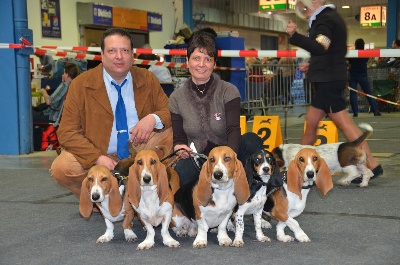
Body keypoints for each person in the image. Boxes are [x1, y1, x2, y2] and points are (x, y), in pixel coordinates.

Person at [50, 28, 172, 197]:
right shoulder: (80, 85)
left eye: (125, 50)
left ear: (132, 55)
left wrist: (153, 118)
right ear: (102, 54)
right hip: (99, 152)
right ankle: (105, 198)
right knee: (62, 168)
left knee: (170, 134)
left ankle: (152, 195)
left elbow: (169, 110)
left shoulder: (147, 78)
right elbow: (66, 132)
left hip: (139, 149)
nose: (119, 56)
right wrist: (96, 158)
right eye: (112, 50)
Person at [285, 0, 383, 181]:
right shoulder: (328, 18)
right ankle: (300, 165)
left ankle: (372, 164)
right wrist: (312, 65)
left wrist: (294, 36)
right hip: (327, 78)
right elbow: (330, 51)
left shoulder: (326, 20)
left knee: (344, 123)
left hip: (328, 80)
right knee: (311, 123)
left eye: (304, 6)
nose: (302, 10)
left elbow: (321, 47)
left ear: (315, 2)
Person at [168, 31, 264, 186]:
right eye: (196, 58)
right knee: (180, 173)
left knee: (252, 140)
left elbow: (233, 129)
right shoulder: (176, 98)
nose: (201, 64)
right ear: (187, 61)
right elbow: (179, 139)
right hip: (200, 161)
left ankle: (250, 190)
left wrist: (227, 162)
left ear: (214, 63)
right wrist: (179, 147)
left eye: (208, 59)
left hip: (229, 156)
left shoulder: (229, 90)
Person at [348, 38, 381, 117]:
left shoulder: (352, 53)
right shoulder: (365, 53)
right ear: (363, 45)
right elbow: (366, 60)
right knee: (369, 93)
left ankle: (355, 112)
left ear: (355, 45)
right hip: (363, 75)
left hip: (352, 75)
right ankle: (376, 111)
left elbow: (349, 62)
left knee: (353, 94)